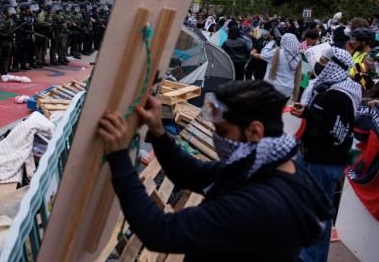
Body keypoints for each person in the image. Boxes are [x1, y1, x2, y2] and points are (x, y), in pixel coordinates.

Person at [98, 80, 330, 261]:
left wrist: (119, 157)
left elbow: (159, 231)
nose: (216, 137)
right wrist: (158, 133)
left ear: (255, 131)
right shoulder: (268, 167)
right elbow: (192, 173)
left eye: (223, 130)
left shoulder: (255, 205)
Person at [293, 47, 362, 262]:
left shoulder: (340, 96)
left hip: (323, 162)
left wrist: (307, 114)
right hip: (310, 156)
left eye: (324, 60)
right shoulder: (326, 87)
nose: (319, 63)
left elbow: (332, 132)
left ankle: (311, 258)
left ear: (335, 66)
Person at [252, 33, 302, 100]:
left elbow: (263, 53)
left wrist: (272, 42)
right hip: (288, 90)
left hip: (274, 88)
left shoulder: (277, 52)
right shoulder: (298, 56)